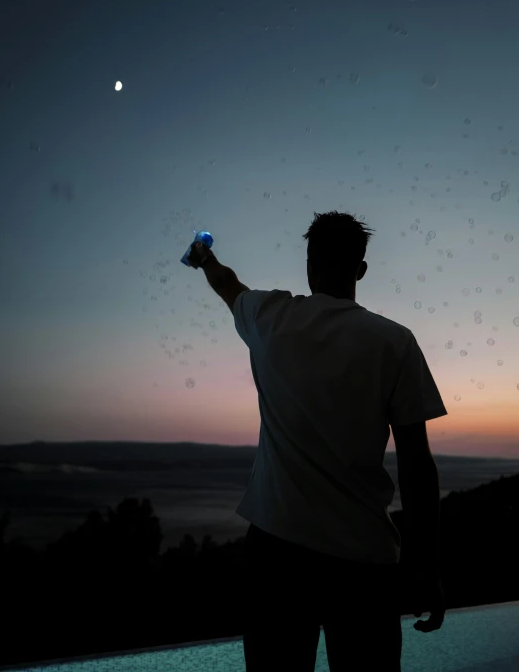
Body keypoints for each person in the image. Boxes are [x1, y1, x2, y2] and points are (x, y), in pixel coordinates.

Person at [187, 211, 447, 672]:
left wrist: (203, 256)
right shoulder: (394, 342)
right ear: (361, 269)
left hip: (276, 556)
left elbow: (226, 282)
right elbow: (416, 465)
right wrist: (426, 564)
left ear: (308, 264)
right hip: (363, 562)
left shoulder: (269, 317)